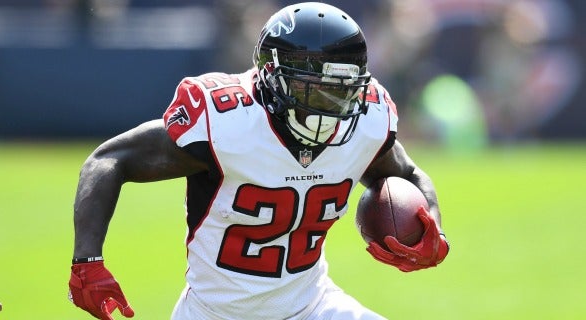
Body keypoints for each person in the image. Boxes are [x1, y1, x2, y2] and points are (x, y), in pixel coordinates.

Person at [68, 2, 449, 319]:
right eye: (314, 91)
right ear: (271, 75)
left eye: (342, 92)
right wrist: (87, 260)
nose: (331, 109)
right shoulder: (226, 121)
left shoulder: (366, 119)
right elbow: (109, 159)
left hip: (313, 306)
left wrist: (432, 229)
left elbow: (408, 174)